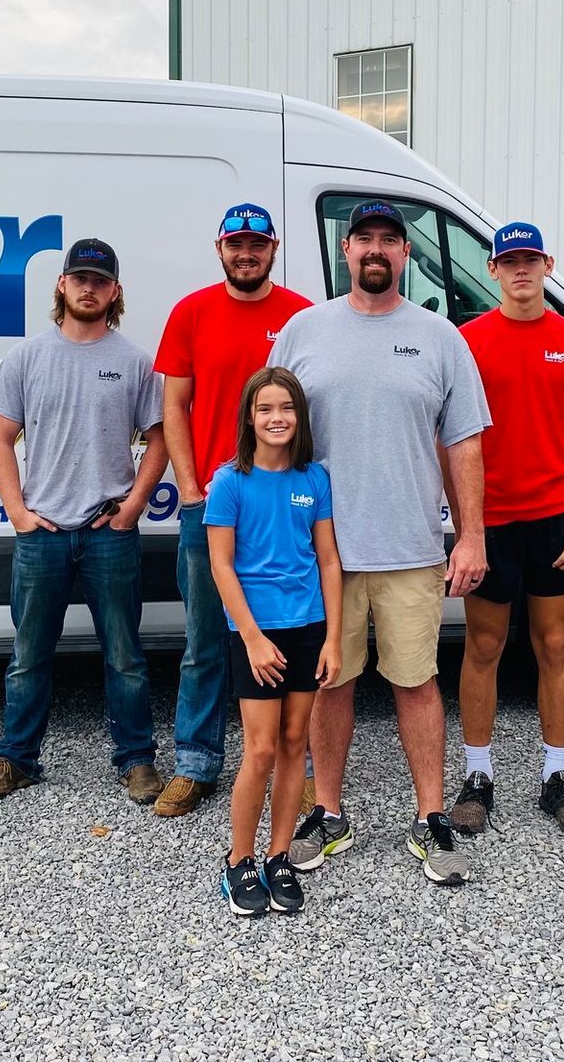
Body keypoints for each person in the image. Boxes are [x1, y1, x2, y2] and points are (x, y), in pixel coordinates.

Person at [269, 199, 491, 885]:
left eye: (389, 240)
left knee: (417, 683)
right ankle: (329, 813)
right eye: (362, 238)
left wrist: (471, 537)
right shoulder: (303, 332)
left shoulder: (439, 337)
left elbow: (464, 444)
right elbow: (272, 436)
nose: (375, 250)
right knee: (330, 682)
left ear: (404, 254)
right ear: (345, 252)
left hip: (410, 549)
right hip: (323, 552)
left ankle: (431, 817)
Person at [0, 238, 169, 807]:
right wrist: (18, 513)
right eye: (79, 277)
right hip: (44, 535)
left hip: (109, 534)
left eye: (100, 280)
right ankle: (17, 759)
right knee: (28, 654)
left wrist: (132, 507)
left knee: (125, 656)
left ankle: (136, 761)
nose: (88, 287)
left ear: (115, 292)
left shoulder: (133, 362)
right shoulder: (27, 359)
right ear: (61, 285)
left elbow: (160, 440)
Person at [448, 222, 564, 836]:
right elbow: (451, 436)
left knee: (552, 646)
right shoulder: (465, 342)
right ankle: (478, 773)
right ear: (491, 270)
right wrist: (466, 525)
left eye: (530, 259)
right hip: (489, 520)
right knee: (484, 647)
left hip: (553, 516)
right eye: (507, 261)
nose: (520, 270)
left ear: (548, 264)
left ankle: (556, 774)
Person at [152, 204, 312, 819]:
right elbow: (174, 406)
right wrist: (190, 487)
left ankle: (291, 763)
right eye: (236, 243)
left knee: (292, 631)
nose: (247, 253)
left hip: (281, 504)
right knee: (205, 639)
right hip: (214, 504)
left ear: (274, 247)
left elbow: (309, 407)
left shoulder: (301, 315)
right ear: (219, 247)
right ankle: (195, 763)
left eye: (257, 243)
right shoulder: (191, 313)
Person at [207, 367, 344, 916]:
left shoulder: (314, 480)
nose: (276, 418)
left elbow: (329, 560)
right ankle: (238, 861)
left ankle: (278, 855)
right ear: (250, 417)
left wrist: (334, 638)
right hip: (255, 634)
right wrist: (252, 637)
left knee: (295, 746)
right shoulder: (230, 481)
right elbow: (220, 564)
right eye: (265, 408)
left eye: (285, 408)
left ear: (299, 417)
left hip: (308, 627)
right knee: (260, 749)